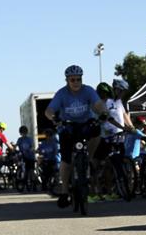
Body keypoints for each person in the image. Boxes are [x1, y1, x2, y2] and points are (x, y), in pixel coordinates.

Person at [44, 65, 106, 208]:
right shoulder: (61, 93)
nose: (76, 82)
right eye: (72, 80)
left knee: (97, 131)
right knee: (66, 160)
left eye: (79, 79)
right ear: (67, 80)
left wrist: (103, 113)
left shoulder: (88, 90)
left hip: (85, 124)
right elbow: (49, 110)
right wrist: (54, 118)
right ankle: (65, 191)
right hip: (68, 126)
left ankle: (88, 158)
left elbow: (98, 105)